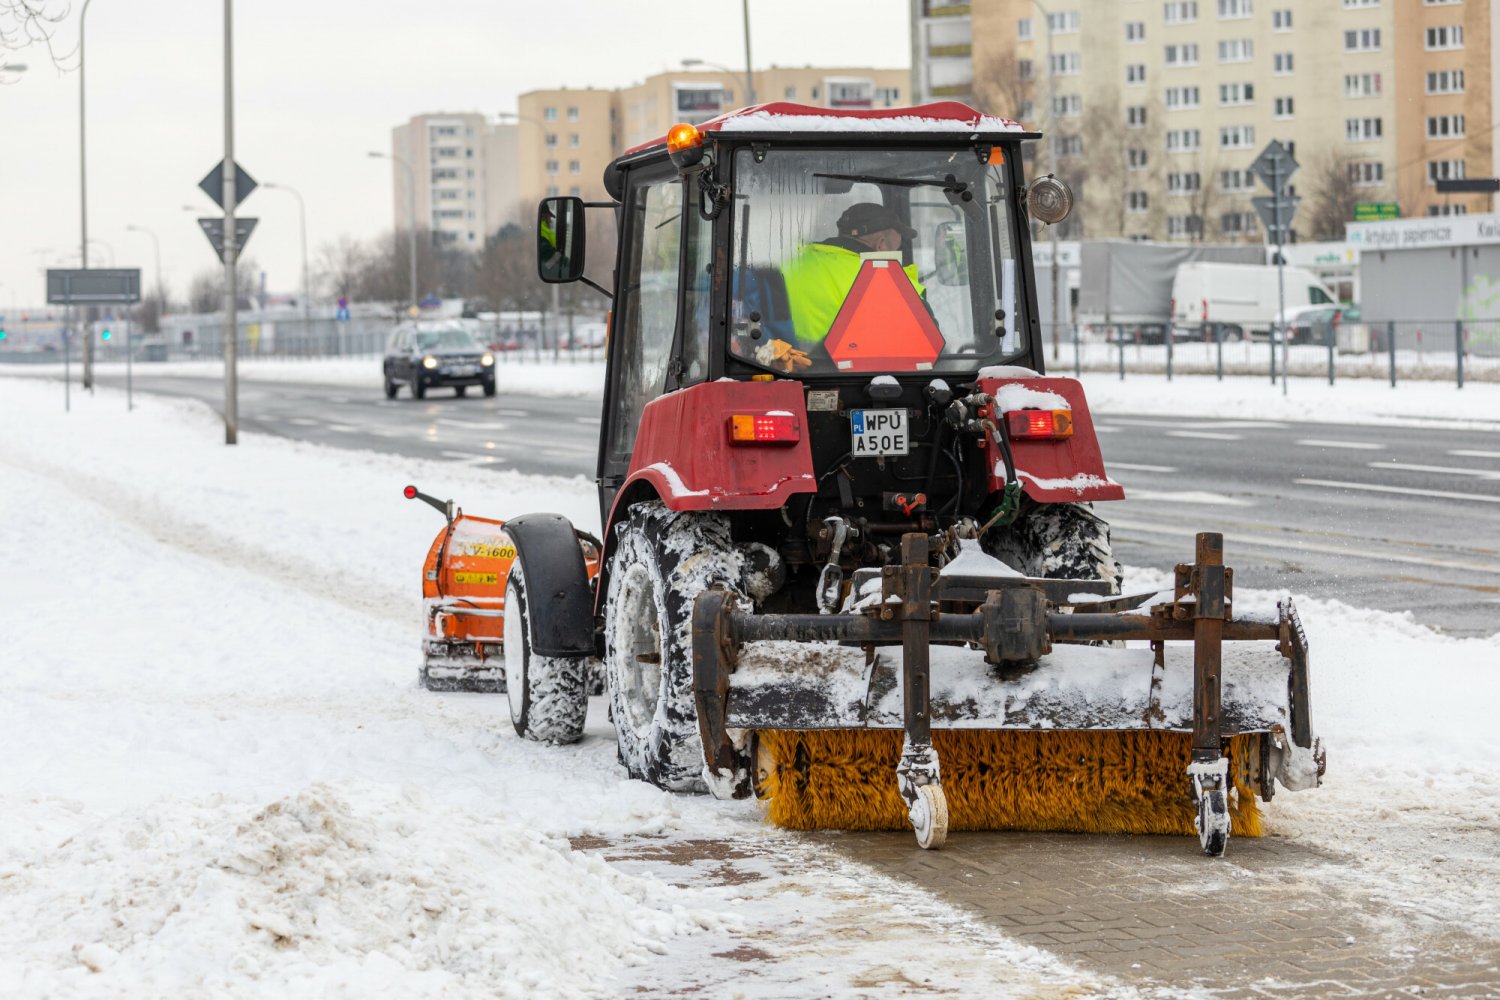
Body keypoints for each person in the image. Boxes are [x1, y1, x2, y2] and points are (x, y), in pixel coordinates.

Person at [779, 202, 925, 349]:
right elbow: (930, 348)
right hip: (852, 372)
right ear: (880, 245)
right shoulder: (893, 285)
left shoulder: (787, 262)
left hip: (784, 366)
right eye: (896, 249)